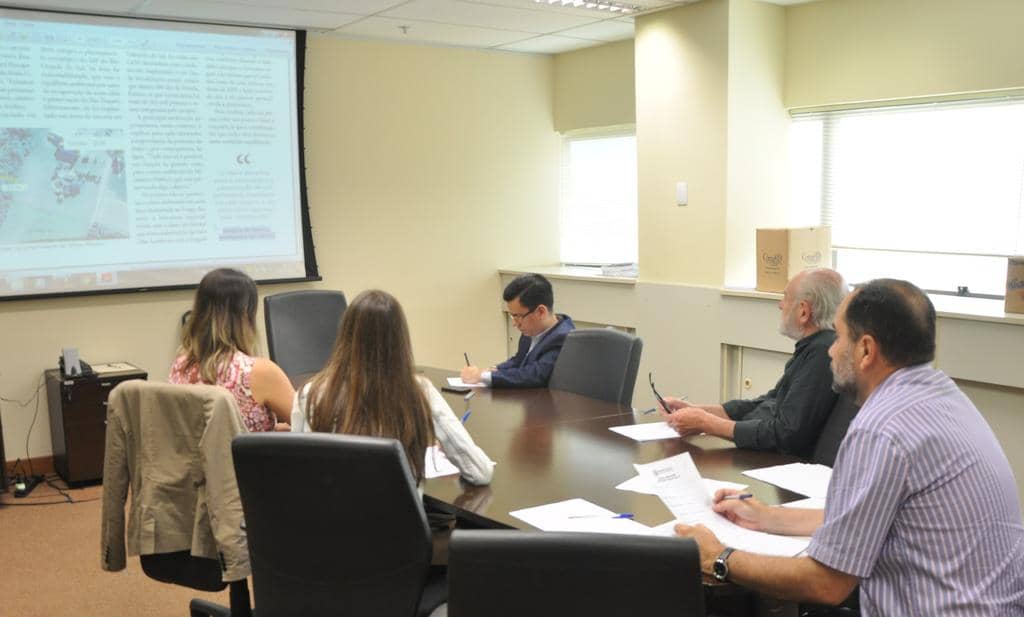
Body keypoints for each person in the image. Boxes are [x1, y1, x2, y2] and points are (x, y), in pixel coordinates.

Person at [675, 279, 1024, 615]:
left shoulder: (882, 428)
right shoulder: (943, 396)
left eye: (839, 336)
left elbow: (826, 583)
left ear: (866, 350)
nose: (830, 348)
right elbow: (864, 521)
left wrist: (718, 557)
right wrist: (768, 516)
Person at [292, 289, 493, 486]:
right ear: (400, 340)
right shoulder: (417, 391)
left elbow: (298, 472)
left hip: (328, 516)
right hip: (399, 518)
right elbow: (480, 472)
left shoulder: (309, 393)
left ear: (345, 334)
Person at [660, 268, 848, 458]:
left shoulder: (822, 353)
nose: (780, 305)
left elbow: (786, 434)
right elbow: (768, 404)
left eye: (785, 297)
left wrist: (706, 424)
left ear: (803, 311)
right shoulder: (814, 346)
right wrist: (697, 411)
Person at [170, 268, 294, 432]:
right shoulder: (258, 372)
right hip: (246, 457)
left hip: (200, 457)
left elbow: (213, 434)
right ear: (245, 314)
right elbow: (311, 425)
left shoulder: (180, 366)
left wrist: (272, 429)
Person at [461, 273, 575, 389]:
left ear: (541, 312)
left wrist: (485, 376)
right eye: (512, 316)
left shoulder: (563, 338)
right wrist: (493, 369)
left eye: (518, 316)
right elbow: (519, 360)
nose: (515, 324)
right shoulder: (531, 330)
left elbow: (533, 374)